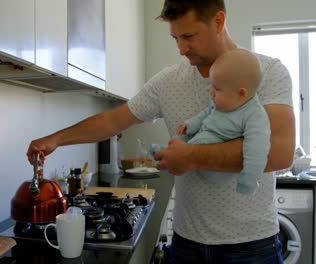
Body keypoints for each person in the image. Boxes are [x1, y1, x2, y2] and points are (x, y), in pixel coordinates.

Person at [27, 0, 295, 263]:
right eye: (175, 38)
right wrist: (55, 140)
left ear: (219, 21)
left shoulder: (266, 72)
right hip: (187, 244)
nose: (181, 49)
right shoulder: (168, 81)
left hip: (252, 246)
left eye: (189, 36)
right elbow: (113, 121)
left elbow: (279, 152)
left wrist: (192, 156)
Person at [175, 48, 269, 195]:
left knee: (196, 143)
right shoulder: (225, 102)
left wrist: (248, 180)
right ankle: (167, 152)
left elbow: (257, 150)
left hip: (218, 169)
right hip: (203, 138)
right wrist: (190, 124)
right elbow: (206, 113)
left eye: (217, 89)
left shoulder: (254, 115)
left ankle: (172, 155)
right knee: (180, 137)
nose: (211, 92)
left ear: (241, 93)